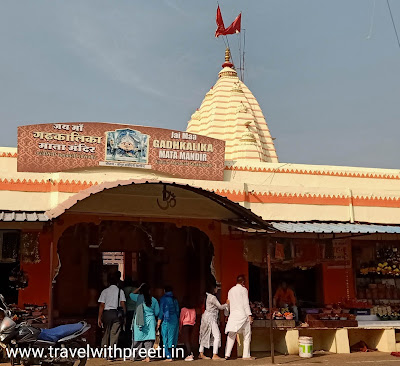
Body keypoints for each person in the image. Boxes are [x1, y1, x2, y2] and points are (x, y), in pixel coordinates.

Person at [224, 275, 254, 361]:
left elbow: (228, 303)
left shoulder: (230, 291)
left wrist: (226, 314)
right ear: (243, 282)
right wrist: (250, 315)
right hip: (243, 315)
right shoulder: (244, 290)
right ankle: (246, 355)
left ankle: (227, 354)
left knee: (231, 335)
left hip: (233, 316)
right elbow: (245, 304)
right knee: (247, 335)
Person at [130, 283, 160, 363]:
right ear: (149, 290)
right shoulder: (153, 300)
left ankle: (134, 356)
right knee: (149, 341)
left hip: (139, 321)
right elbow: (157, 312)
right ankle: (148, 357)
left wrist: (138, 287)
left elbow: (131, 294)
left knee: (137, 340)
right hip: (150, 321)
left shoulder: (138, 297)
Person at [198, 283, 228, 361]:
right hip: (211, 318)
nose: (217, 289)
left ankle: (201, 353)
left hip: (205, 317)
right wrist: (227, 304)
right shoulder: (213, 298)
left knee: (204, 334)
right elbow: (220, 307)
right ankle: (215, 354)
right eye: (216, 288)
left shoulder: (207, 296)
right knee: (217, 335)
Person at [98, 273, 127, 351]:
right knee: (114, 334)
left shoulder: (105, 291)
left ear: (109, 282)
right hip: (117, 314)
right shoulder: (120, 291)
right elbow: (123, 304)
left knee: (105, 333)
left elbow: (102, 305)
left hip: (107, 314)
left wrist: (99, 318)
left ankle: (104, 352)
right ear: (117, 282)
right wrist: (124, 316)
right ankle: (111, 353)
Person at [157, 286, 180, 362]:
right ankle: (173, 355)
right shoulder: (174, 299)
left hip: (167, 320)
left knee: (165, 338)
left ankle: (168, 356)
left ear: (164, 291)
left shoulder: (163, 299)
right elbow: (177, 311)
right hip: (174, 320)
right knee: (173, 338)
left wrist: (158, 323)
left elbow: (161, 312)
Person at [179, 297, 197, 362]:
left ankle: (189, 354)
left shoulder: (183, 309)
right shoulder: (193, 309)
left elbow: (181, 319)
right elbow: (194, 318)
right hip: (192, 325)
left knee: (186, 341)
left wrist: (180, 327)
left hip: (185, 325)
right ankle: (191, 353)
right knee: (190, 340)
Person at [123, 278, 139, 347]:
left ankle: (128, 343)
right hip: (136, 311)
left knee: (128, 328)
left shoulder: (124, 290)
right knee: (135, 328)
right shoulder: (137, 290)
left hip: (128, 310)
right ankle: (135, 343)